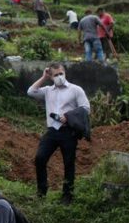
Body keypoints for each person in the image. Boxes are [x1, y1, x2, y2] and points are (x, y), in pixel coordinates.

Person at [27, 63, 90, 204]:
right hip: (52, 130)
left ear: (65, 73)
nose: (59, 76)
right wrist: (43, 77)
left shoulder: (75, 90)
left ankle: (67, 195)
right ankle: (41, 192)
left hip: (68, 131)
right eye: (55, 75)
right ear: (51, 77)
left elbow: (86, 108)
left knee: (69, 163)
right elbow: (30, 91)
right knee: (40, 158)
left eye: (61, 73)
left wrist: (68, 116)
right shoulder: (48, 91)